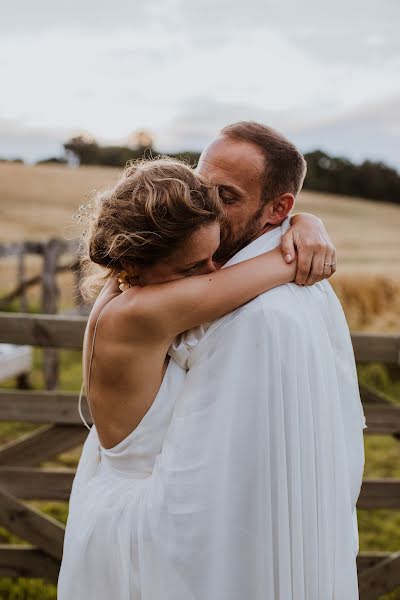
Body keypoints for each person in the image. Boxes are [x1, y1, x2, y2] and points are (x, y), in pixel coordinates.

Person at [56, 124, 355, 600]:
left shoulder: (123, 288)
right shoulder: (142, 313)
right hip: (136, 524)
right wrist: (306, 228)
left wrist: (301, 218)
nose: (211, 271)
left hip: (108, 499)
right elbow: (283, 264)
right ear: (144, 258)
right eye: (195, 269)